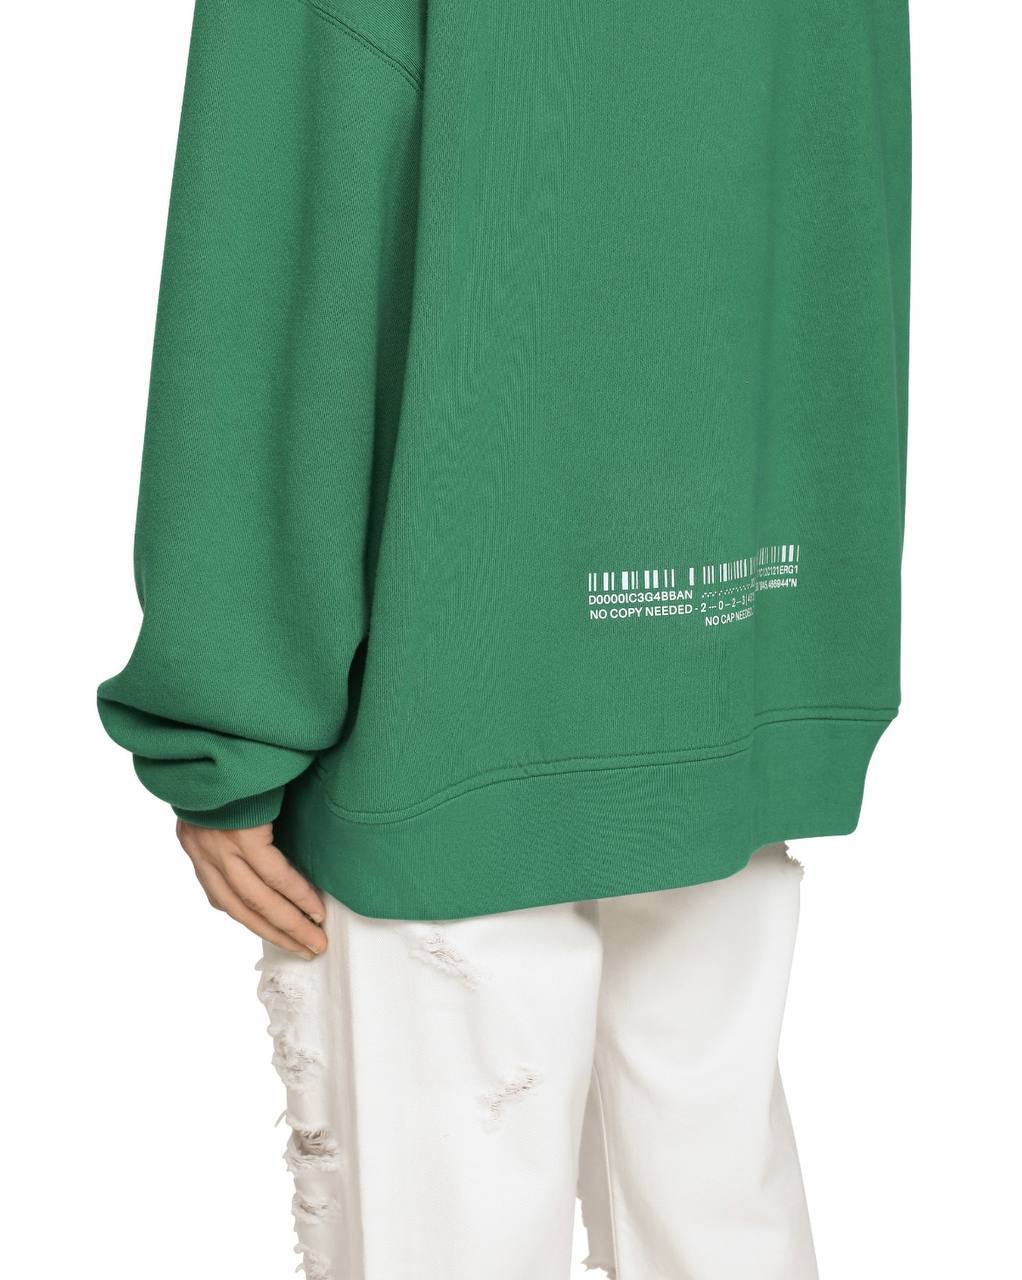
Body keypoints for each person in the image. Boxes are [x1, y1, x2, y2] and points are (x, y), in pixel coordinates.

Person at [98, 1, 911, 1276]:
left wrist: (226, 703)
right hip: (736, 662)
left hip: (451, 702)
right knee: (715, 1209)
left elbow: (285, 212)